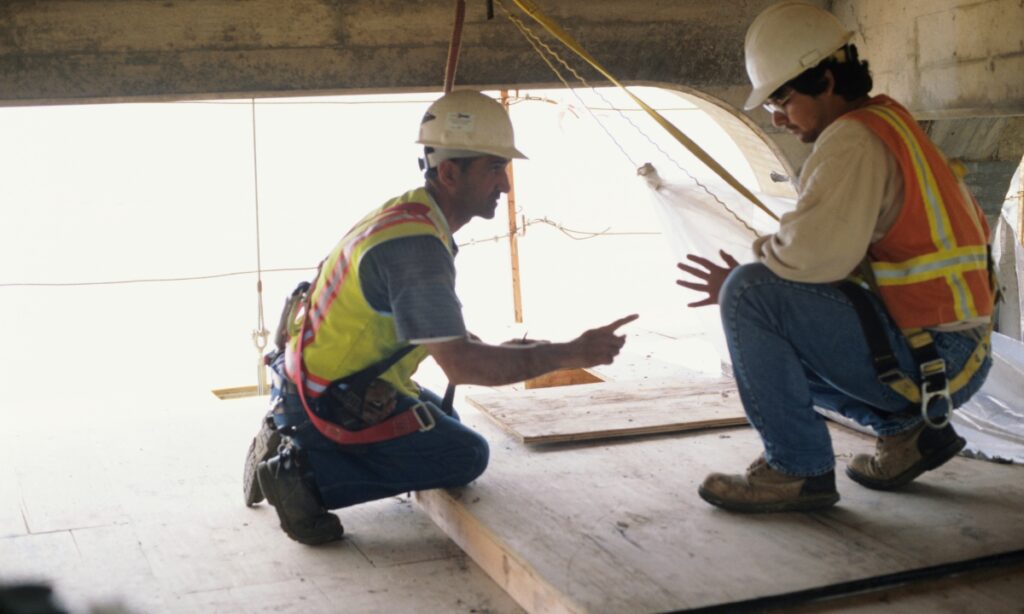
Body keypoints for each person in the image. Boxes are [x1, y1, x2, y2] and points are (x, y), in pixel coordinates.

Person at [242, 89, 638, 544]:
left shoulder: (409, 213)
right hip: (330, 398)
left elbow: (424, 324)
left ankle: (286, 435)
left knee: (444, 424)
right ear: (450, 172)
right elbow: (463, 366)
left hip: (311, 377)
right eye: (494, 169)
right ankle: (303, 475)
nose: (506, 186)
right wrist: (570, 353)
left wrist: (503, 351)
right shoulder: (416, 248)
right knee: (463, 456)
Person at [676, 1, 995, 513]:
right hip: (955, 355)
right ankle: (907, 433)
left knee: (749, 295)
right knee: (766, 329)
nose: (777, 116)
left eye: (782, 98)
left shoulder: (852, 139)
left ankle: (795, 469)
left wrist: (746, 274)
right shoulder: (889, 121)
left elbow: (806, 259)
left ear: (825, 80)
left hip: (934, 357)